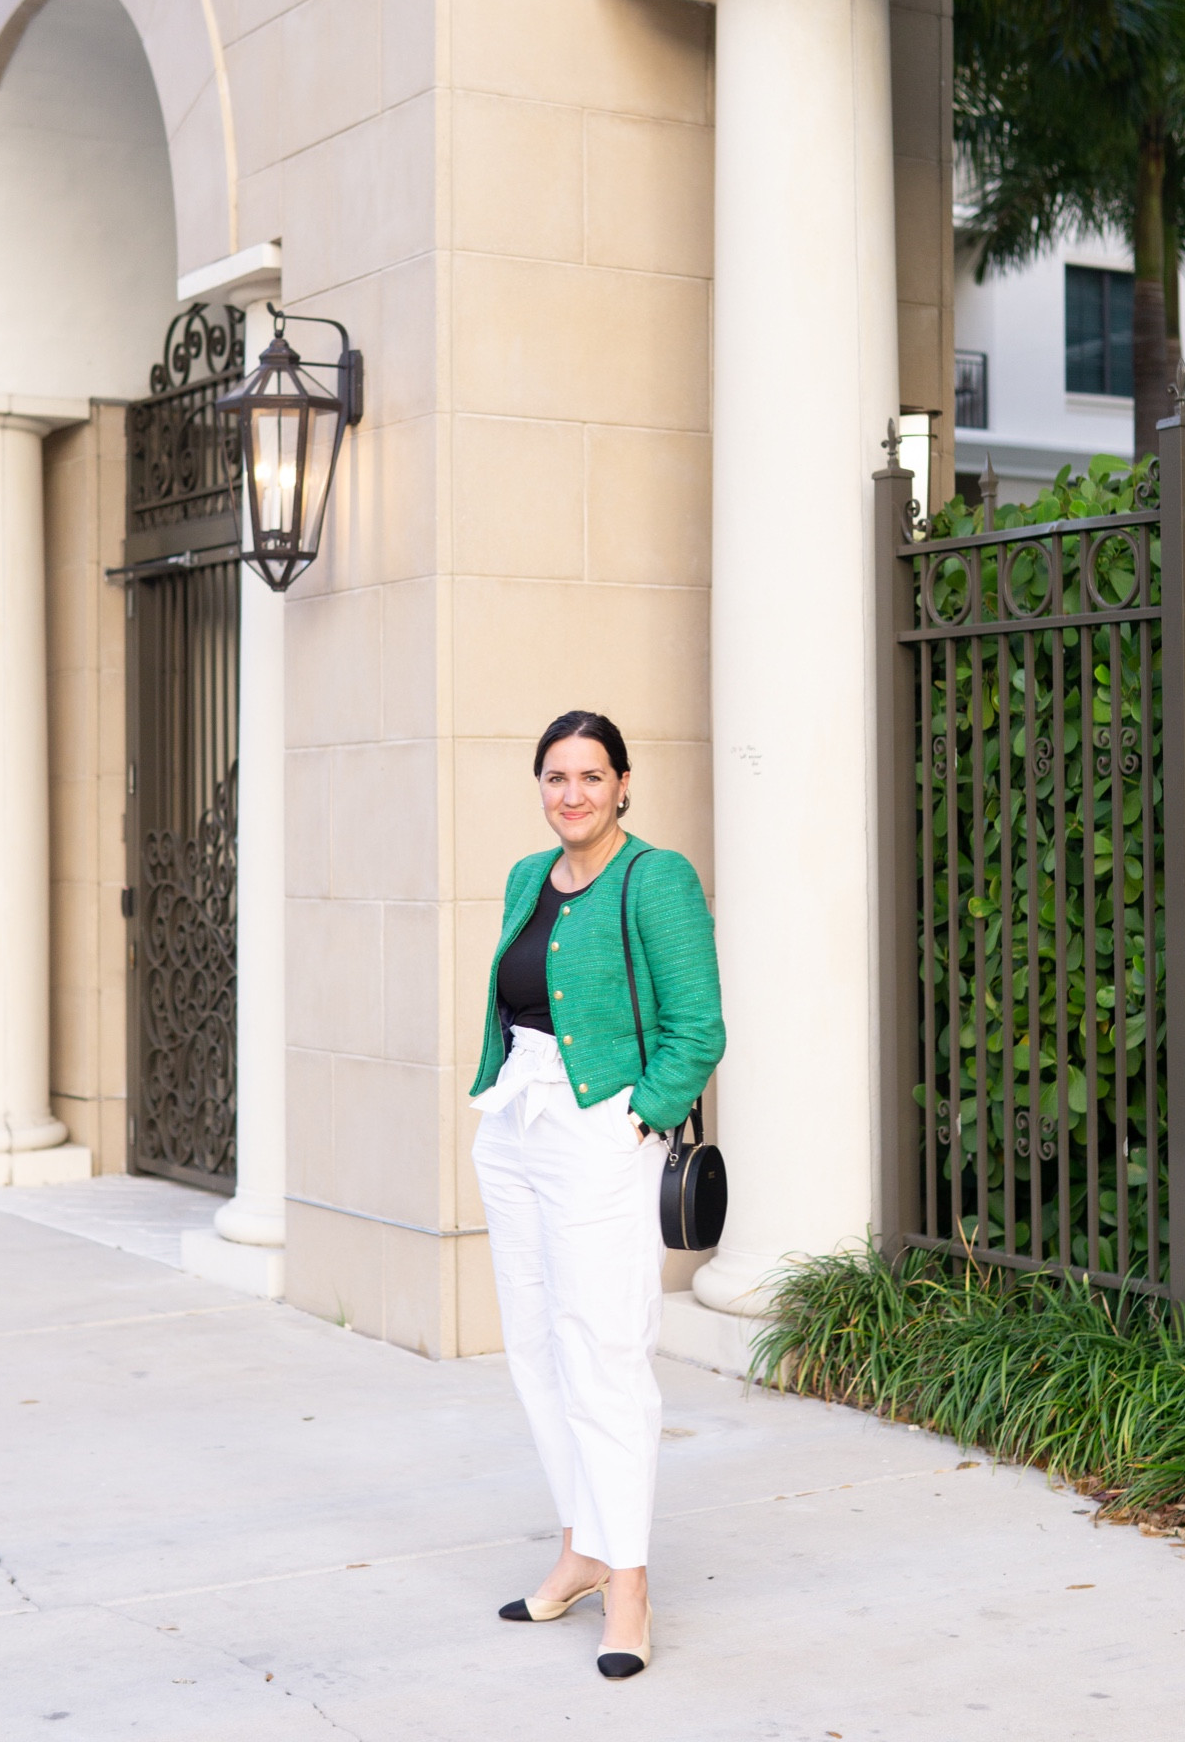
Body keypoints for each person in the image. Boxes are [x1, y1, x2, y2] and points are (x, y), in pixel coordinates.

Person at [470, 709, 725, 1680]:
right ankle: (581, 1544)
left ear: (622, 783)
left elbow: (698, 1025)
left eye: (589, 775)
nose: (570, 793)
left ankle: (629, 1583)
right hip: (514, 1123)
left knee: (605, 1350)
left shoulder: (655, 877)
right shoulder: (526, 877)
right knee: (536, 1344)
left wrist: (635, 1121)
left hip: (599, 1130)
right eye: (555, 776)